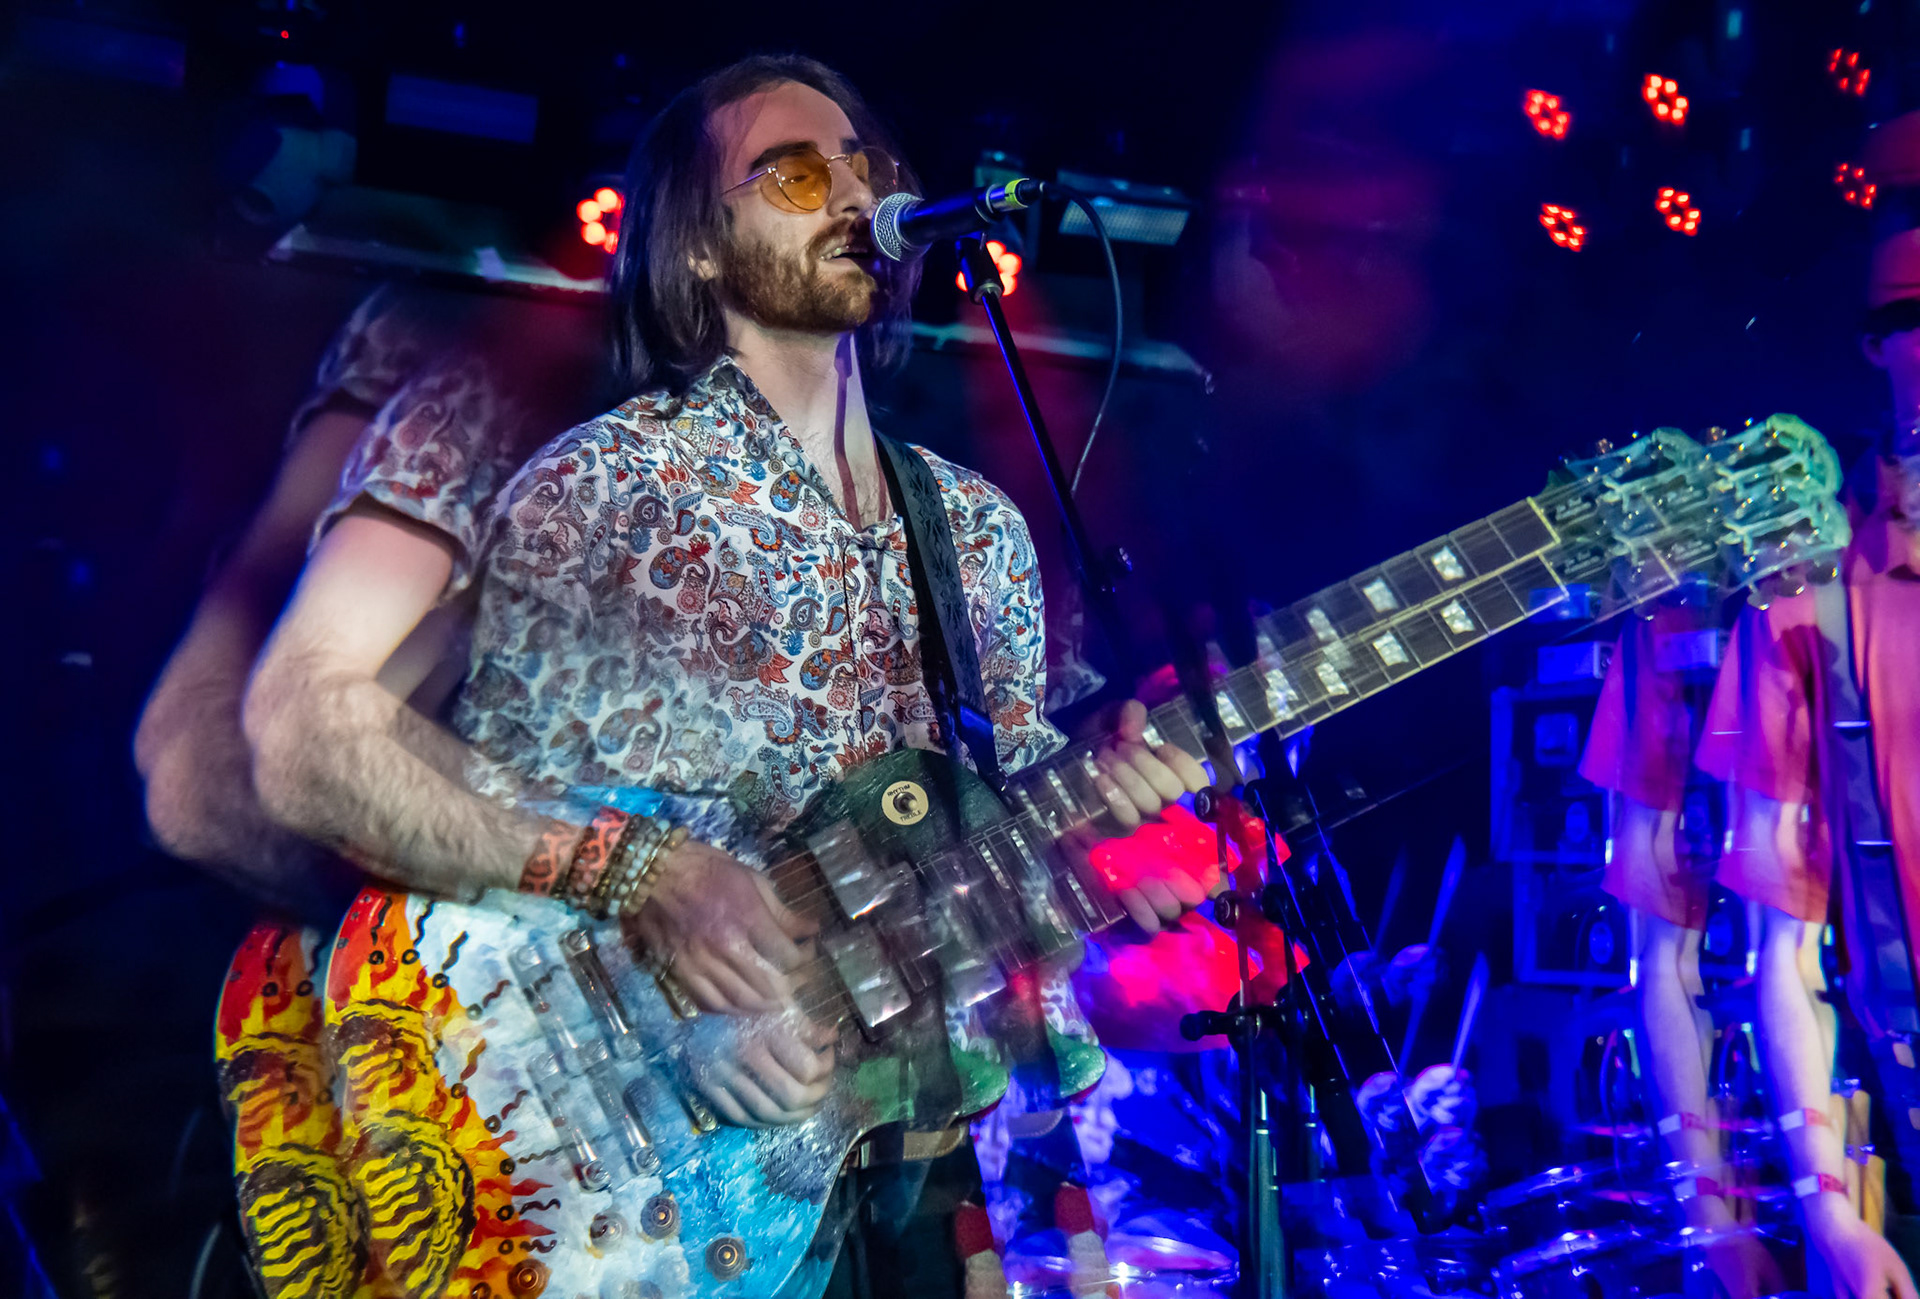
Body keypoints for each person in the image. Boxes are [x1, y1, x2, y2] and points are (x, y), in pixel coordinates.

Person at [239, 53, 1209, 1297]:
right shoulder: (604, 491)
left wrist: (1104, 824)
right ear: (696, 245)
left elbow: (995, 854)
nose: (852, 194)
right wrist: (664, 939)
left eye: (864, 167)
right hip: (670, 1191)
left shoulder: (975, 529)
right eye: (794, 175)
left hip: (929, 1156)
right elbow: (477, 851)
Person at [1693, 222, 1920, 1299]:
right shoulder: (1807, 599)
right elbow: (1782, 950)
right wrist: (1828, 1209)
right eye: (1912, 320)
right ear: (1875, 346)